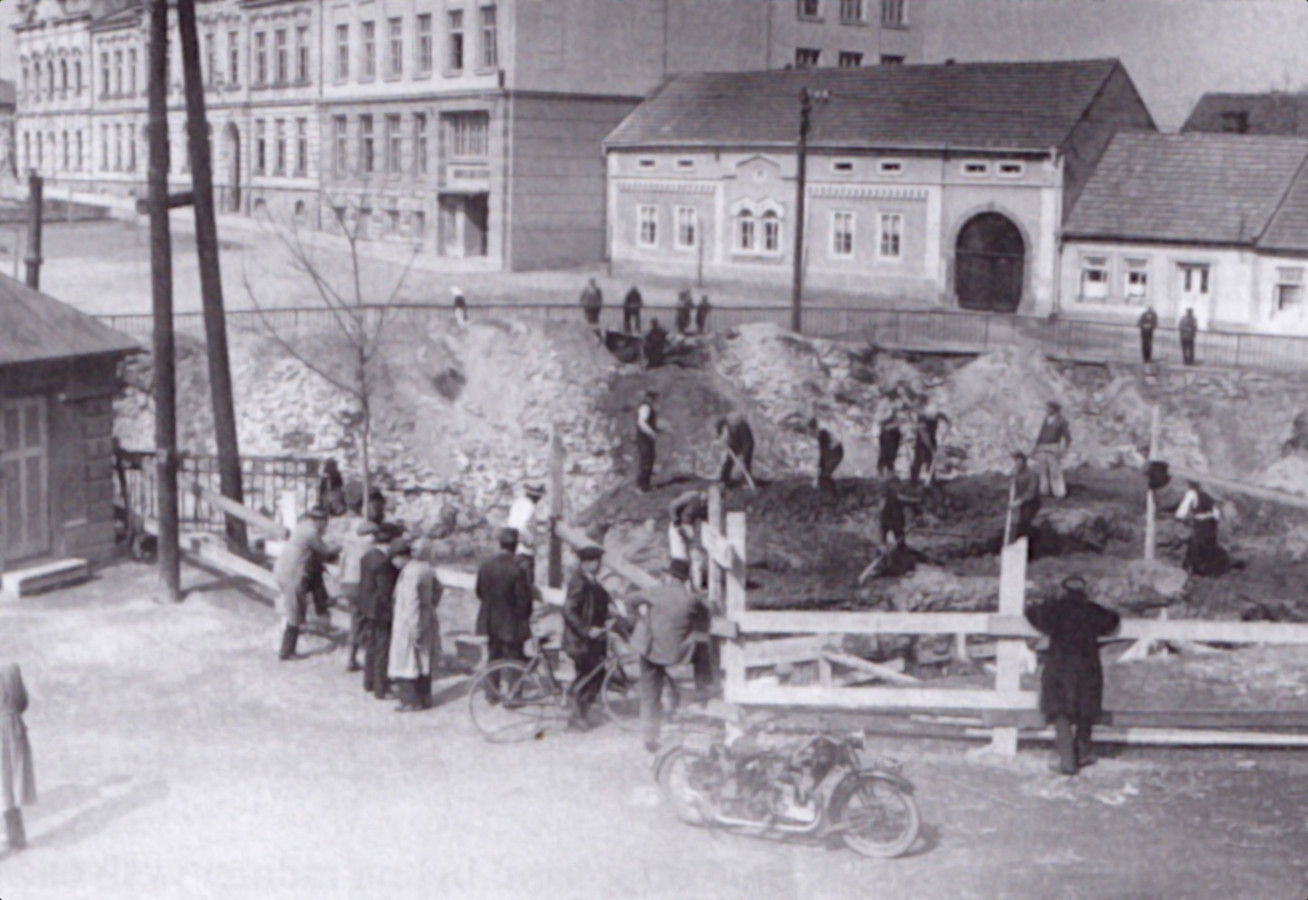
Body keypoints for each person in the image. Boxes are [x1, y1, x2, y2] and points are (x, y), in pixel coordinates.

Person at [1025, 576, 1120, 776]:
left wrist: (1048, 600)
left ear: (1064, 590)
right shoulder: (1092, 611)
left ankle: (1067, 760)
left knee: (1061, 713)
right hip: (1087, 667)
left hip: (1060, 666)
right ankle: (1082, 753)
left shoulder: (1055, 610)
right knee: (1085, 712)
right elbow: (1113, 619)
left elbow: (1031, 613)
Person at [631, 562, 710, 752]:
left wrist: (638, 620)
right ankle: (704, 689)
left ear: (670, 577)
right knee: (703, 649)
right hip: (676, 652)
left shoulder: (655, 591)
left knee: (650, 694)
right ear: (685, 580)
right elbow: (705, 621)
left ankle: (650, 735)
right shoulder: (691, 599)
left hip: (651, 650)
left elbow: (630, 600)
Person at [272, 506, 339, 661]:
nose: (326, 525)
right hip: (292, 575)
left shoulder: (303, 527)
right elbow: (326, 550)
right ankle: (286, 651)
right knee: (294, 612)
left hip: (284, 570)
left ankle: (322, 603)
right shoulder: (311, 532)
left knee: (315, 575)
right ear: (319, 521)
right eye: (325, 522)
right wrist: (341, 547)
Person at [561, 545, 614, 730]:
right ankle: (576, 717)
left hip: (593, 640)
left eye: (598, 561)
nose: (598, 564)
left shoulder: (592, 581)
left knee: (595, 676)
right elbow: (568, 610)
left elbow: (595, 605)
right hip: (581, 640)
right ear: (584, 563)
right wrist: (586, 630)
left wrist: (609, 613)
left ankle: (581, 713)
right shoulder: (579, 581)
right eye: (594, 561)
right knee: (587, 678)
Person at [388, 540, 444, 712]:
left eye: (394, 559)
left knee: (408, 661)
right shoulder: (426, 568)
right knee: (424, 661)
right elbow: (439, 588)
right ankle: (426, 698)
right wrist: (431, 606)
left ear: (402, 556)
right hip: (427, 618)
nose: (394, 563)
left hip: (409, 622)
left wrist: (415, 627)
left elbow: (412, 602)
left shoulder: (410, 573)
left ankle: (411, 701)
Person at [474, 528, 536, 677]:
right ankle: (514, 690)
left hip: (490, 621)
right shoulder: (518, 569)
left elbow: (479, 592)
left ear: (500, 544)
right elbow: (523, 601)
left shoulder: (485, 566)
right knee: (515, 662)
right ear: (515, 546)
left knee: (493, 659)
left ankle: (492, 690)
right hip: (512, 624)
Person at [359, 527, 404, 698]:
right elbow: (386, 590)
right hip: (381, 611)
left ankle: (369, 681)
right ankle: (381, 687)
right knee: (382, 649)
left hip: (367, 608)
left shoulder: (367, 556)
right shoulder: (384, 563)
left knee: (371, 646)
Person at [1, 663, 35, 851]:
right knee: (12, 781)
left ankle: (13, 839)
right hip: (14, 727)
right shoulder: (12, 667)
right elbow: (23, 701)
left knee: (3, 784)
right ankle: (17, 837)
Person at [339, 518, 380, 673]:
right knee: (366, 620)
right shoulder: (371, 547)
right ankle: (358, 658)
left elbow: (341, 565)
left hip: (347, 585)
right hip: (360, 586)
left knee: (356, 620)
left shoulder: (350, 545)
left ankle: (352, 656)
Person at [1176, 480, 1230, 576]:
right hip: (1212, 523)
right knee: (1208, 545)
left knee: (1197, 544)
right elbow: (1218, 506)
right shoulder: (1209, 495)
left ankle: (1195, 568)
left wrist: (1181, 517)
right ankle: (1208, 569)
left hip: (1201, 524)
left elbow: (1181, 513)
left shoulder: (1191, 493)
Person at [506, 482, 545, 587]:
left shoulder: (518, 503)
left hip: (513, 549)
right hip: (524, 552)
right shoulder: (530, 507)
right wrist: (529, 542)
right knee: (526, 584)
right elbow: (521, 526)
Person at [668, 490, 708, 589]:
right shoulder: (691, 496)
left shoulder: (706, 506)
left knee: (696, 556)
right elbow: (672, 506)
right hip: (678, 526)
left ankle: (695, 586)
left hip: (690, 529)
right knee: (680, 556)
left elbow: (702, 520)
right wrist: (677, 523)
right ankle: (674, 584)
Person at [1031, 400, 1072, 500]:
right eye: (1047, 407)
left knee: (1055, 471)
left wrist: (1063, 450)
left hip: (1054, 446)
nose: (1047, 409)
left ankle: (1059, 493)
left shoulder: (1062, 421)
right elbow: (1041, 435)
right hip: (1043, 446)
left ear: (1055, 409)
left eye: (1049, 408)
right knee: (1043, 470)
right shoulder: (1046, 420)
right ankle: (1044, 491)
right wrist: (1035, 448)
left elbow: (1068, 438)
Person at [1009, 452, 1041, 548]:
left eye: (1019, 461)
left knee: (1025, 523)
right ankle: (1018, 545)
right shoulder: (1016, 473)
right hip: (1022, 503)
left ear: (1024, 462)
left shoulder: (1031, 474)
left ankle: (1030, 547)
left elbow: (1031, 492)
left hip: (1032, 503)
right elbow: (1014, 489)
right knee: (1018, 523)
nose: (1017, 463)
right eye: (1016, 461)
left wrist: (1019, 501)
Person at [911, 409, 949, 486]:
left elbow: (940, 415)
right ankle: (914, 481)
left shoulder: (933, 414)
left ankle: (932, 479)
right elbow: (924, 437)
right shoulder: (922, 422)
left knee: (930, 460)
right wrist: (932, 449)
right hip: (921, 443)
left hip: (931, 438)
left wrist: (947, 421)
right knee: (919, 460)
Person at [716, 413, 755, 486]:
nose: (732, 428)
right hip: (734, 443)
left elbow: (747, 444)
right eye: (731, 426)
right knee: (729, 461)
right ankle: (724, 479)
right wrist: (719, 435)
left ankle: (745, 480)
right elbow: (719, 426)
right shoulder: (725, 421)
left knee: (746, 463)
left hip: (746, 445)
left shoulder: (743, 428)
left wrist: (743, 456)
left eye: (734, 426)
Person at [810, 418, 844, 494]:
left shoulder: (822, 435)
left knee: (824, 475)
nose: (811, 434)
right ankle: (831, 492)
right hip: (835, 452)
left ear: (815, 428)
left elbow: (824, 453)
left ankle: (832, 493)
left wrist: (819, 470)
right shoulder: (822, 434)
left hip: (835, 453)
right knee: (824, 475)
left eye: (812, 431)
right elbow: (823, 454)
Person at [635, 390, 660, 493]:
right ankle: (641, 486)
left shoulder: (646, 407)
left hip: (645, 438)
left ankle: (646, 485)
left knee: (649, 460)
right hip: (644, 438)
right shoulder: (646, 407)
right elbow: (641, 422)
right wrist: (651, 433)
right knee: (646, 460)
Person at [877, 409, 902, 478]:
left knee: (892, 455)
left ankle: (890, 472)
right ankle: (881, 471)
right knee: (884, 454)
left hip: (895, 437)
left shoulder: (898, 418)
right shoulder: (887, 418)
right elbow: (885, 426)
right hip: (887, 437)